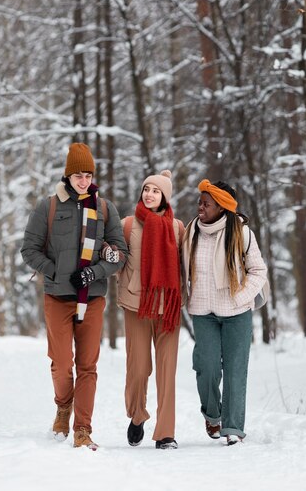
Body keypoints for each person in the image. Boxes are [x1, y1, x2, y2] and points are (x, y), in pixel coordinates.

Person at [21, 142, 127, 450]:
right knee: (61, 361)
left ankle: (83, 429)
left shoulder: (104, 208)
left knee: (87, 365)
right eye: (79, 175)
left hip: (92, 297)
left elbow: (121, 254)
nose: (84, 181)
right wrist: (53, 271)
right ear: (68, 175)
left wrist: (95, 272)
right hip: (58, 297)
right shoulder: (49, 206)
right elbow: (29, 249)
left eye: (89, 175)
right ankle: (63, 405)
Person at [181, 179, 267, 445]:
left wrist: (239, 297)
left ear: (221, 207)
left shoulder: (241, 233)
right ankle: (213, 415)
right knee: (205, 367)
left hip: (237, 313)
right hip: (203, 312)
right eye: (200, 202)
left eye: (206, 203)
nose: (200, 207)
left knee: (235, 370)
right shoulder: (191, 231)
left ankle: (232, 429)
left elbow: (259, 271)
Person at [116, 170, 184, 450]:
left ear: (165, 196)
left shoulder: (178, 228)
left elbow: (187, 266)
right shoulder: (128, 224)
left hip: (168, 308)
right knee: (138, 367)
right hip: (136, 305)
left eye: (155, 191)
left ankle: (165, 432)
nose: (149, 194)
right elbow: (115, 260)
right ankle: (137, 415)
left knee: (167, 372)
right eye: (146, 189)